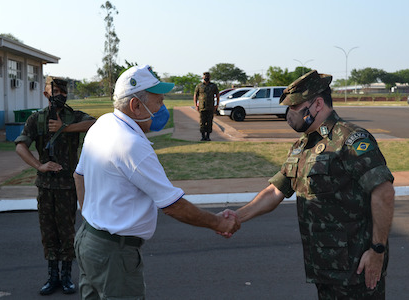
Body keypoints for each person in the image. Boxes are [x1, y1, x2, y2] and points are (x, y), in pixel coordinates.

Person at [221, 70, 395, 299]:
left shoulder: (350, 139)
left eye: (294, 107)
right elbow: (275, 190)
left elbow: (383, 193)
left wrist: (377, 250)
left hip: (357, 268)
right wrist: (237, 217)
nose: (289, 114)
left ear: (318, 104)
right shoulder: (302, 146)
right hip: (324, 266)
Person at [73, 65, 240, 299]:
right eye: (158, 101)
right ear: (136, 106)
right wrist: (218, 223)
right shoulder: (131, 144)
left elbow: (78, 176)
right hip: (114, 255)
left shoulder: (103, 124)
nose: (162, 108)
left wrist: (91, 215)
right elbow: (172, 205)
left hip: (89, 239)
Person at [15, 77, 96, 295]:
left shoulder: (74, 116)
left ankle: (67, 276)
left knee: (68, 232)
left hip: (69, 186)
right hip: (46, 186)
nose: (60, 95)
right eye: (56, 91)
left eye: (64, 92)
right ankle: (52, 276)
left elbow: (95, 123)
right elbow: (21, 146)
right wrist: (39, 166)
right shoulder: (37, 119)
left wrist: (65, 128)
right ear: (46, 94)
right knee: (49, 232)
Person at [193, 71, 219, 141]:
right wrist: (196, 105)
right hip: (202, 107)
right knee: (202, 122)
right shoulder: (199, 86)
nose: (206, 78)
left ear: (209, 77)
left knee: (209, 122)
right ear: (202, 77)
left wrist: (217, 105)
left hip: (211, 107)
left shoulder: (213, 86)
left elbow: (217, 95)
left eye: (207, 77)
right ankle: (202, 136)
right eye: (205, 77)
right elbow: (195, 95)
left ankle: (208, 136)